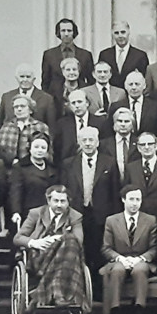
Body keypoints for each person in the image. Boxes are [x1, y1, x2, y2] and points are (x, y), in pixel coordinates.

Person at [60, 126, 121, 299]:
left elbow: (115, 192)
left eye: (91, 140)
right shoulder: (68, 163)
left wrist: (114, 218)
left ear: (97, 141)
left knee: (100, 252)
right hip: (77, 214)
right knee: (79, 250)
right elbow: (65, 192)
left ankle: (100, 291)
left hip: (102, 215)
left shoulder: (109, 162)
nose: (88, 143)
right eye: (84, 140)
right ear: (79, 142)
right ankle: (80, 290)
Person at [12, 185, 87, 314]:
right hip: (39, 256)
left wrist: (57, 239)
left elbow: (78, 240)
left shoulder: (75, 217)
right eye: (56, 201)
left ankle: (55, 293)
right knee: (69, 242)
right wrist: (35, 242)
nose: (59, 205)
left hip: (65, 259)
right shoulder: (36, 214)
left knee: (70, 241)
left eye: (63, 201)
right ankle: (58, 294)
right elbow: (18, 238)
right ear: (48, 201)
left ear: (68, 202)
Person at [101, 186, 157, 314]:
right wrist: (119, 258)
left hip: (141, 259)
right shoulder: (112, 221)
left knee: (139, 270)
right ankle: (115, 311)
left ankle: (140, 312)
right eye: (131, 199)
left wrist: (141, 258)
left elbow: (154, 248)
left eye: (138, 199)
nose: (134, 203)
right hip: (120, 259)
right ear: (123, 200)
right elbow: (106, 247)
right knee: (117, 270)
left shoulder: (150, 220)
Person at [122, 132, 157, 216]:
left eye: (150, 144)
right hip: (139, 216)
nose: (146, 147)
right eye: (143, 144)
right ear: (138, 148)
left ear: (155, 146)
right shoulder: (131, 168)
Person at [8, 136, 58, 229]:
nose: (39, 150)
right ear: (29, 148)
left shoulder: (52, 168)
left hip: (49, 214)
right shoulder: (20, 167)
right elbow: (15, 191)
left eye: (43, 148)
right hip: (28, 214)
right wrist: (16, 212)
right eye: (36, 147)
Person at [0, 94, 53, 168]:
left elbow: (48, 154)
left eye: (22, 106)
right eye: (16, 107)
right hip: (9, 169)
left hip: (32, 170)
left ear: (31, 110)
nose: (19, 109)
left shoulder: (40, 127)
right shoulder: (7, 127)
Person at [41, 18, 95, 95]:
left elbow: (91, 81)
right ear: (58, 32)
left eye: (69, 31)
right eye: (63, 31)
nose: (66, 34)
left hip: (80, 96)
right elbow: (45, 82)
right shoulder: (49, 55)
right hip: (56, 97)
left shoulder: (85, 55)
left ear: (74, 32)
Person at [0, 64, 57, 129]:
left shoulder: (46, 99)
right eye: (22, 77)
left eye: (28, 77)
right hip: (11, 136)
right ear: (17, 78)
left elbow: (52, 127)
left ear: (34, 79)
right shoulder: (7, 97)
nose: (25, 80)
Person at [54, 90, 109, 160]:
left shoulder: (100, 122)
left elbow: (106, 147)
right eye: (73, 103)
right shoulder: (62, 124)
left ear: (87, 103)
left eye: (79, 102)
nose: (77, 106)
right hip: (70, 165)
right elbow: (58, 151)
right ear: (70, 106)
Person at [108, 71, 157, 136]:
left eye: (137, 84)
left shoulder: (156, 107)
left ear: (144, 86)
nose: (134, 87)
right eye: (130, 84)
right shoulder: (116, 107)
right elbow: (110, 131)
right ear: (125, 86)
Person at [97, 21, 150, 88]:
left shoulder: (140, 56)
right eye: (116, 33)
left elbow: (144, 79)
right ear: (112, 34)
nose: (120, 36)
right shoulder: (105, 54)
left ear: (128, 32)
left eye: (123, 32)